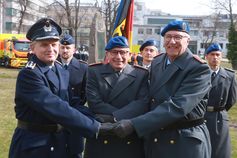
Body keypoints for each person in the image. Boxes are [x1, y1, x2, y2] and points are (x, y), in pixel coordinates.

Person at [8, 18, 111, 158]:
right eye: (44, 44)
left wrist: (97, 117)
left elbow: (70, 102)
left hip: (60, 141)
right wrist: (95, 127)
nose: (50, 49)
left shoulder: (60, 69)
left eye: (54, 44)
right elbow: (56, 107)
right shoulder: (29, 74)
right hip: (35, 145)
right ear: (32, 48)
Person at [113, 20, 212, 158]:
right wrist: (115, 116)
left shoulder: (198, 68)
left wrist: (134, 124)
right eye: (168, 37)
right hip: (156, 137)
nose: (172, 41)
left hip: (183, 140)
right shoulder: (158, 61)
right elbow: (149, 98)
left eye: (178, 37)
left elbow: (178, 106)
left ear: (188, 41)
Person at [84, 36, 149, 158]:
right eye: (114, 52)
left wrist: (114, 118)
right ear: (107, 54)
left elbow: (142, 103)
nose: (119, 57)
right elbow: (94, 103)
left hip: (128, 134)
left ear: (129, 54)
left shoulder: (141, 74)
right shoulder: (94, 72)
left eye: (123, 52)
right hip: (102, 136)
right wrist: (124, 115)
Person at [58, 34, 90, 158]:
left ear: (74, 49)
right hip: (55, 116)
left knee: (75, 151)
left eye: (68, 48)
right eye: (62, 47)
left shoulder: (83, 67)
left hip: (75, 115)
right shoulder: (52, 65)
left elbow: (85, 92)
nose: (65, 50)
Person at [204, 43, 237, 158]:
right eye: (212, 54)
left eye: (218, 55)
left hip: (219, 117)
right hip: (201, 115)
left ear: (221, 56)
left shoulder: (229, 75)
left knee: (219, 151)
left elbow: (231, 99)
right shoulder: (200, 74)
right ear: (206, 57)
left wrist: (219, 110)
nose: (215, 57)